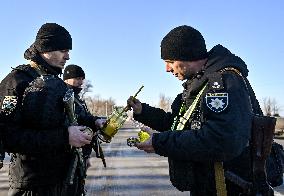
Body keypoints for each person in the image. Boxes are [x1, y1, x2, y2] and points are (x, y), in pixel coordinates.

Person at [127, 25, 272, 196]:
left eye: (170, 62)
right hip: (207, 186)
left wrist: (159, 142)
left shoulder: (223, 83)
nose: (167, 69)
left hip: (226, 188)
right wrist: (143, 111)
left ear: (187, 56)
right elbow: (178, 124)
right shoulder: (197, 86)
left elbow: (221, 140)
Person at [0, 23, 96, 196]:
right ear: (46, 49)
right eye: (63, 50)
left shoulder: (57, 83)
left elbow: (76, 117)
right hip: (33, 185)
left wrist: (95, 122)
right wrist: (65, 136)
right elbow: (9, 137)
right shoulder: (16, 82)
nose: (67, 57)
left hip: (64, 180)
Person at [63, 64, 106, 195]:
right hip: (70, 154)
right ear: (67, 79)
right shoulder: (65, 96)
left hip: (81, 153)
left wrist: (97, 120)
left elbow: (85, 116)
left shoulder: (78, 99)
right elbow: (78, 119)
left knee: (78, 186)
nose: (81, 82)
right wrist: (94, 121)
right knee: (69, 188)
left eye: (82, 79)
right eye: (77, 78)